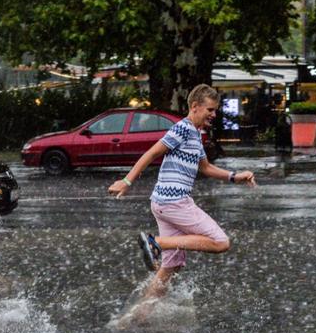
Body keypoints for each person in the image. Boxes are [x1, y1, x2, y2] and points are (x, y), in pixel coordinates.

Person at [108, 84, 256, 304]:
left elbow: (205, 168)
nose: (214, 115)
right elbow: (152, 152)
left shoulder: (195, 134)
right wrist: (127, 181)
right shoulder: (182, 129)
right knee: (220, 242)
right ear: (195, 107)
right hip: (174, 202)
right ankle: (156, 242)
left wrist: (235, 176)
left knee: (171, 266)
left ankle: (137, 316)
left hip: (163, 203)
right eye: (210, 110)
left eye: (215, 110)